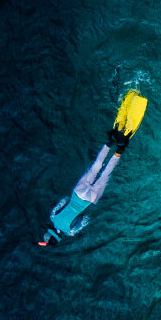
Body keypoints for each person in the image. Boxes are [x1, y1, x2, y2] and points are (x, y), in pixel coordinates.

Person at [40, 90, 146, 246]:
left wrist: (91, 207)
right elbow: (63, 201)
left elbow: (85, 220)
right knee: (95, 166)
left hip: (89, 200)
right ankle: (110, 141)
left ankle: (120, 148)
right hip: (77, 192)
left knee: (105, 174)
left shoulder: (70, 232)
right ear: (50, 231)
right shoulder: (53, 217)